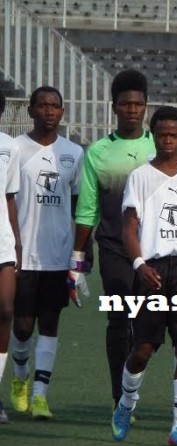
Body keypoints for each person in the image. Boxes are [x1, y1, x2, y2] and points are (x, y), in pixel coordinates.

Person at [111, 106, 177, 446]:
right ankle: (126, 403)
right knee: (142, 349)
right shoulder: (141, 177)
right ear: (153, 136)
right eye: (161, 134)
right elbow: (129, 227)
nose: (167, 140)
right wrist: (140, 264)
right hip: (152, 271)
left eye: (174, 134)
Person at [71, 69, 157, 420]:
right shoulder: (98, 153)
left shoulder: (159, 145)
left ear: (145, 107)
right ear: (114, 107)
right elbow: (88, 209)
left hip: (155, 250)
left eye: (138, 104)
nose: (132, 110)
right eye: (125, 104)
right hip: (114, 249)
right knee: (119, 320)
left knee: (149, 326)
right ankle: (118, 395)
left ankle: (136, 388)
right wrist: (78, 258)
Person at [9, 87, 84, 420]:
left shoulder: (74, 153)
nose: (49, 111)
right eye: (42, 106)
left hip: (58, 254)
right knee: (23, 325)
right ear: (30, 111)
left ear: (62, 112)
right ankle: (21, 376)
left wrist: (81, 254)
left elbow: (80, 204)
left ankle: (40, 394)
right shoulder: (15, 149)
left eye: (55, 106)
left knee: (51, 324)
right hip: (23, 253)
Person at [0, 90, 21, 424]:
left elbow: (10, 197)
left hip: (2, 243)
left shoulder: (10, 147)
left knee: (5, 311)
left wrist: (17, 243)